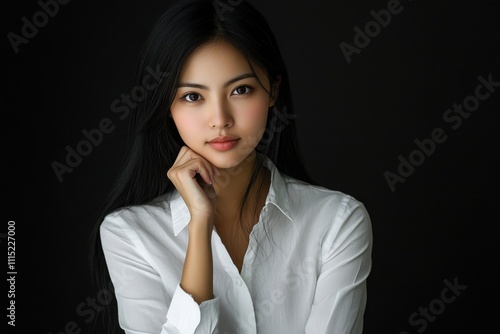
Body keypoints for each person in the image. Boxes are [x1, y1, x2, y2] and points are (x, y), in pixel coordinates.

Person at [89, 0, 373, 333]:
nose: (220, 120)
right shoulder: (129, 235)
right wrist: (199, 227)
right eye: (193, 96)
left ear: (273, 90)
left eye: (241, 90)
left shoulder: (337, 222)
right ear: (166, 105)